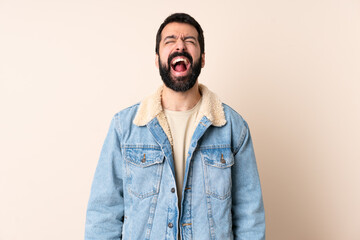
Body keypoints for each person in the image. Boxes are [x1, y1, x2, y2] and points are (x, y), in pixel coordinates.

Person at [85, 13, 265, 240]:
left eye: (190, 41)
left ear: (203, 58)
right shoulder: (125, 128)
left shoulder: (233, 129)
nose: (180, 45)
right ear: (157, 58)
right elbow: (103, 215)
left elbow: (250, 219)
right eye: (170, 41)